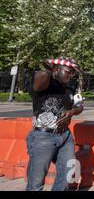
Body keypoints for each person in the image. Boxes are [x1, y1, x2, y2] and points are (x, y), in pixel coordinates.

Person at [26, 57, 84, 191]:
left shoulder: (70, 89)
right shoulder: (46, 84)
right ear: (57, 70)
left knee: (68, 171)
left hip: (65, 137)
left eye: (73, 73)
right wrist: (49, 69)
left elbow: (80, 106)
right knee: (36, 181)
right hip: (43, 137)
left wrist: (72, 112)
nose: (71, 76)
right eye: (68, 72)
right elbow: (39, 82)